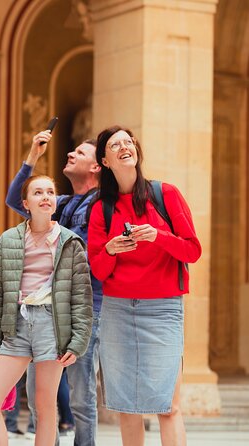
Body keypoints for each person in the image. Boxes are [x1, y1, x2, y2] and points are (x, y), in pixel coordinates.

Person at [87, 126, 202, 446]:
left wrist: (159, 236)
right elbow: (97, 268)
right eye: (115, 144)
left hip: (163, 309)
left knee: (168, 405)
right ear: (104, 161)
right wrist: (110, 249)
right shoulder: (101, 208)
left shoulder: (166, 194)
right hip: (118, 311)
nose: (125, 146)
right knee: (127, 407)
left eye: (128, 141)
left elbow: (193, 250)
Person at [0, 174, 92, 446]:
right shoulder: (8, 240)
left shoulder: (70, 242)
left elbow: (81, 297)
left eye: (50, 192)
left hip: (51, 326)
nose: (46, 197)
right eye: (38, 193)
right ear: (26, 202)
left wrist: (77, 342)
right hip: (16, 325)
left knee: (44, 404)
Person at [6, 131, 103, 445]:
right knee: (38, 396)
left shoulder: (103, 204)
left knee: (80, 394)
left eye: (80, 152)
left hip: (87, 308)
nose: (71, 154)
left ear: (97, 167)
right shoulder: (60, 203)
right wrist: (33, 154)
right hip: (48, 310)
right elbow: (13, 200)